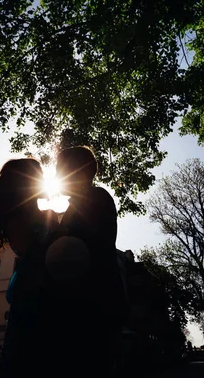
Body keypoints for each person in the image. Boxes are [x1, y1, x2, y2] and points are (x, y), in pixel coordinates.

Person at [49, 146, 128, 377]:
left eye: (60, 170)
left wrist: (57, 235)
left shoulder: (94, 199)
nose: (56, 176)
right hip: (93, 305)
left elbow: (82, 251)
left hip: (93, 307)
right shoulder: (83, 202)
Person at [0, 158, 57, 377]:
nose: (43, 178)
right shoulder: (18, 218)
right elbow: (33, 252)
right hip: (34, 293)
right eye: (39, 175)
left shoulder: (37, 214)